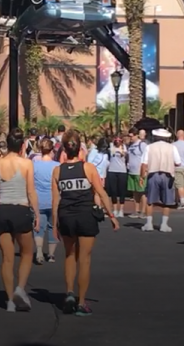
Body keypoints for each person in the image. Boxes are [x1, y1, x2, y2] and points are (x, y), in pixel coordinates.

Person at [52, 130, 119, 316]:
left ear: (64, 150)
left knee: (69, 255)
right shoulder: (88, 168)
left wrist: (55, 224)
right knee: (85, 259)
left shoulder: (58, 171)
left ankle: (70, 293)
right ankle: (81, 302)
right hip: (85, 215)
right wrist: (112, 216)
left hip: (66, 215)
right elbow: (102, 193)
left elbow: (55, 200)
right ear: (80, 149)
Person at [0, 131, 39, 312]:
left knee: (7, 259)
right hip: (21, 209)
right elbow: (31, 191)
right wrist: (37, 214)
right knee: (27, 253)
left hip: (2, 210)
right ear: (22, 145)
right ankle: (20, 288)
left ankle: (9, 301)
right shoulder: (26, 164)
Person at [139, 129, 182, 232]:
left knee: (150, 200)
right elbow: (178, 162)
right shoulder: (172, 148)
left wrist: (142, 176)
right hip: (167, 174)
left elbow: (144, 164)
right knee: (167, 201)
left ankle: (149, 224)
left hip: (153, 174)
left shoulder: (149, 147)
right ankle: (164, 225)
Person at [32, 138, 59, 264]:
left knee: (39, 227)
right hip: (53, 200)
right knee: (53, 226)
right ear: (52, 149)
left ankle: (38, 252)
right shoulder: (57, 166)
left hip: (38, 200)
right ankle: (51, 254)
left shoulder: (34, 165)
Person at [126, 130, 148, 218]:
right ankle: (136, 210)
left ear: (136, 136)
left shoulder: (142, 145)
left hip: (140, 172)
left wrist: (145, 171)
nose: (130, 138)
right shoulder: (130, 146)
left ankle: (143, 211)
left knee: (142, 191)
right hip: (131, 172)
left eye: (132, 136)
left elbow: (147, 157)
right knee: (135, 192)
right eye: (129, 136)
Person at [105, 136, 128, 218]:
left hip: (122, 171)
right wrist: (114, 148)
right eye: (116, 141)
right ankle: (114, 209)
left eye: (119, 141)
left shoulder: (124, 147)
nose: (118, 143)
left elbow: (124, 154)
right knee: (113, 190)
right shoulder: (111, 147)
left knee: (122, 190)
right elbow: (111, 152)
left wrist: (121, 150)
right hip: (112, 170)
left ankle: (121, 210)